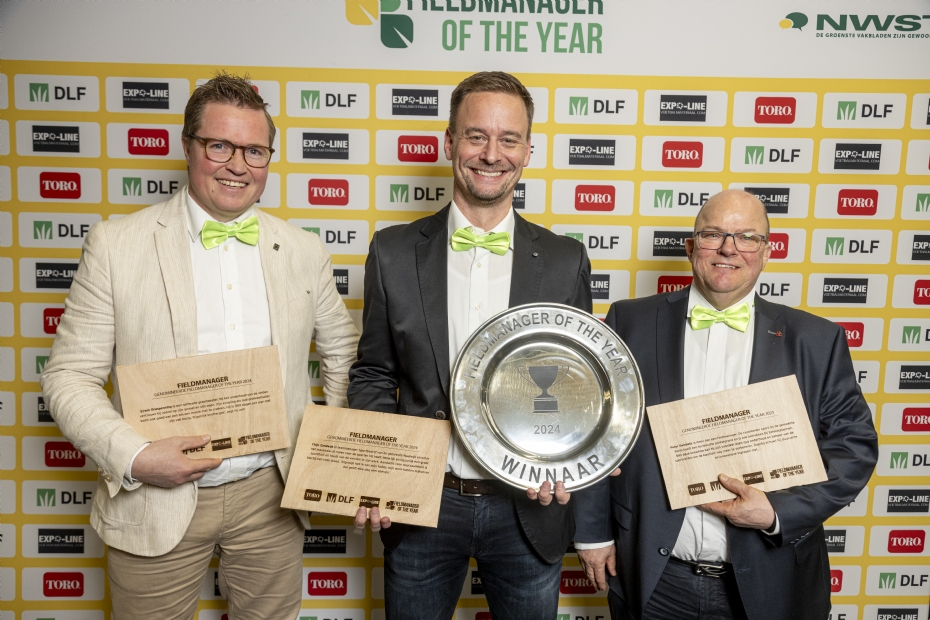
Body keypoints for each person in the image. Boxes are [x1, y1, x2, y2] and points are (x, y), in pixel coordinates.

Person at [41, 73, 359, 620]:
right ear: (188, 146)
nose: (238, 165)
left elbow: (344, 356)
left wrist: (332, 458)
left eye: (254, 151)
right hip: (154, 497)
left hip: (270, 495)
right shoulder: (116, 245)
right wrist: (136, 457)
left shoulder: (303, 250)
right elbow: (67, 376)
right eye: (220, 146)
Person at [347, 71, 592, 620]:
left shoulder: (565, 259)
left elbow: (578, 383)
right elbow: (372, 374)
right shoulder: (392, 251)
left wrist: (572, 460)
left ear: (528, 151)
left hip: (528, 508)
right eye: (476, 136)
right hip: (421, 504)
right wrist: (379, 472)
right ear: (449, 143)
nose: (491, 154)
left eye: (509, 139)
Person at [572, 189, 878, 620]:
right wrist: (592, 533)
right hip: (654, 577)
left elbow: (854, 447)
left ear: (767, 252)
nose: (729, 248)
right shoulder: (629, 322)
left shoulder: (815, 340)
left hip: (771, 578)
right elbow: (594, 430)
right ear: (691, 247)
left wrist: (776, 512)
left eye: (747, 237)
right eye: (713, 234)